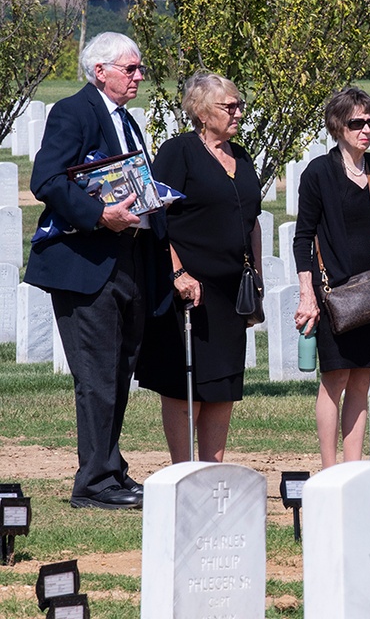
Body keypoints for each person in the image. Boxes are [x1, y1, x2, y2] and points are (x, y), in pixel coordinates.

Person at [25, 32, 171, 509]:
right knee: (97, 375)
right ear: (100, 70)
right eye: (130, 68)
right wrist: (97, 215)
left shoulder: (126, 121)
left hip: (127, 259)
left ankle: (110, 469)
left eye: (139, 68)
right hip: (84, 264)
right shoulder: (74, 111)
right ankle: (92, 483)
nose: (139, 76)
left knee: (119, 369)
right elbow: (46, 178)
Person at [136, 72, 262, 463]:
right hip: (188, 289)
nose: (239, 112)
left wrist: (255, 278)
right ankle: (182, 468)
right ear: (203, 112)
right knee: (182, 384)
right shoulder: (179, 152)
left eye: (240, 105)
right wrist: (177, 273)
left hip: (229, 290)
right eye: (230, 106)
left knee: (223, 383)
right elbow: (157, 218)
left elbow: (252, 219)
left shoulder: (240, 157)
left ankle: (212, 468)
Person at [293, 88, 370, 468]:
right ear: (338, 126)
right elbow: (303, 237)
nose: (366, 129)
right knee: (335, 379)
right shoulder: (319, 172)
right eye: (357, 123)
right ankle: (329, 468)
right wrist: (307, 294)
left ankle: (354, 467)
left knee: (362, 381)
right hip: (333, 291)